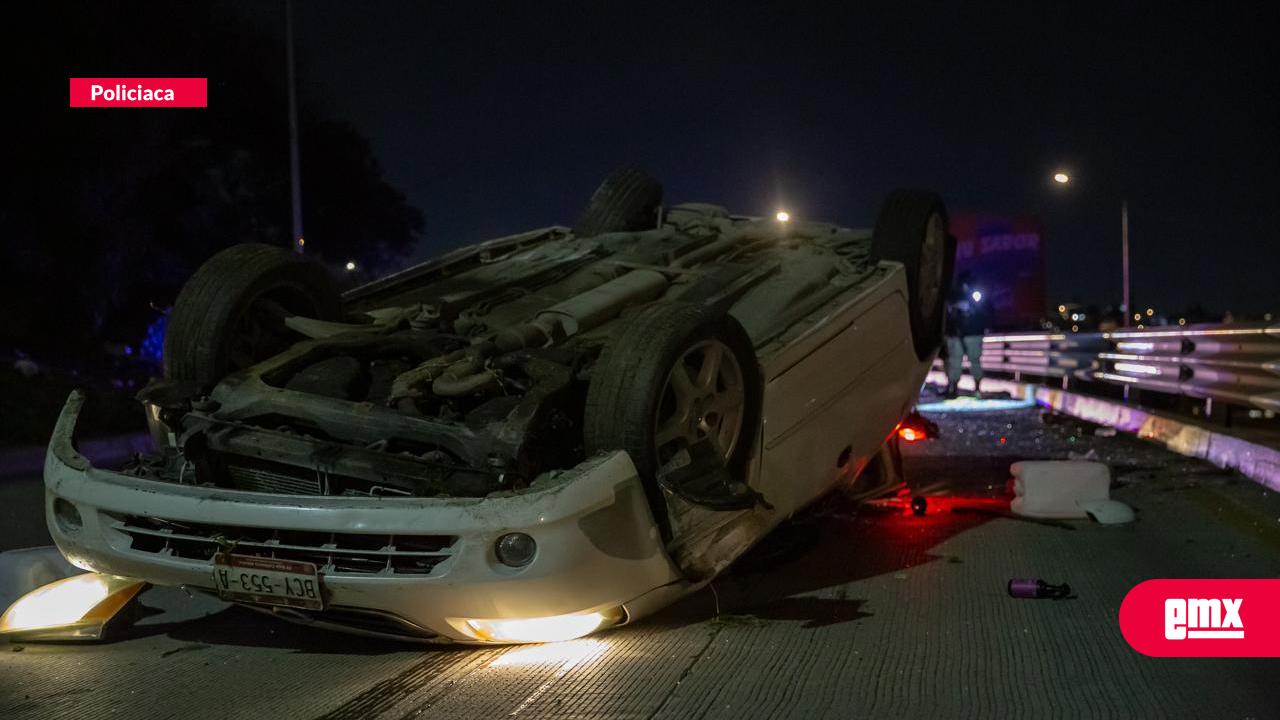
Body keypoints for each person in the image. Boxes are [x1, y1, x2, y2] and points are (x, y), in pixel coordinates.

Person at [944, 272, 992, 398]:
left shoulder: (977, 296)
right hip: (958, 333)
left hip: (971, 332)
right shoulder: (953, 295)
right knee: (956, 361)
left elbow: (986, 312)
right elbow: (948, 313)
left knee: (972, 360)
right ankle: (953, 387)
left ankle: (976, 388)